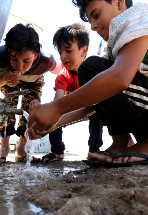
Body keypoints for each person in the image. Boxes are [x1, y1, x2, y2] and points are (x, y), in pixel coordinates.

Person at [27, 0, 148, 166]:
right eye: (90, 21)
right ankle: (121, 142)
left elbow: (120, 80)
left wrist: (56, 107)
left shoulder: (140, 16)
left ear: (119, 2)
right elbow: (97, 101)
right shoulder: (118, 47)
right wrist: (56, 122)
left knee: (91, 70)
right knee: (96, 78)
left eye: (96, 15)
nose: (92, 26)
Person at [0, 23, 62, 164]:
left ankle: (21, 149)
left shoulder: (46, 60)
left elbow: (61, 68)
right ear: (9, 50)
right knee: (8, 104)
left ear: (36, 55)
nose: (20, 66)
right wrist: (4, 79)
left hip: (33, 80)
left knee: (32, 107)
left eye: (26, 61)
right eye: (15, 59)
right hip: (7, 78)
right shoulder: (0, 56)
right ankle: (4, 148)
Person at [42, 23, 103, 163]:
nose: (63, 56)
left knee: (98, 112)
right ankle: (57, 151)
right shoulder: (63, 76)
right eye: (60, 52)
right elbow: (57, 103)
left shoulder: (94, 73)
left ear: (83, 51)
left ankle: (94, 151)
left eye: (68, 51)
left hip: (92, 108)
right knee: (53, 116)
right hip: (71, 110)